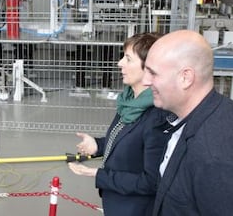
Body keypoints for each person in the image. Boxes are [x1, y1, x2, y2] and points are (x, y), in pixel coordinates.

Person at [68, 32, 169, 216]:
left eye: (128, 59)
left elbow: (151, 181)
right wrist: (98, 145)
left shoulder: (157, 117)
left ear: (149, 68)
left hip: (135, 209)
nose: (119, 63)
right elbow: (126, 142)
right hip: (116, 201)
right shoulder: (129, 101)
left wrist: (98, 174)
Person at [143, 29, 233, 216]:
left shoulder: (213, 156)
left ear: (185, 77)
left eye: (153, 73)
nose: (145, 81)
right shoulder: (191, 119)